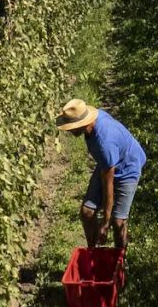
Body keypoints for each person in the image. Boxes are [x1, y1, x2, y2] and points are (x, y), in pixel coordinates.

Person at [54, 97, 145, 255]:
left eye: (70, 127)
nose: (68, 130)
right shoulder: (94, 125)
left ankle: (120, 260)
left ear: (81, 124)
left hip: (128, 165)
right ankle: (93, 254)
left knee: (118, 222)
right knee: (87, 212)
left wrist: (105, 221)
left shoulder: (104, 143)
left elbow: (108, 185)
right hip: (108, 162)